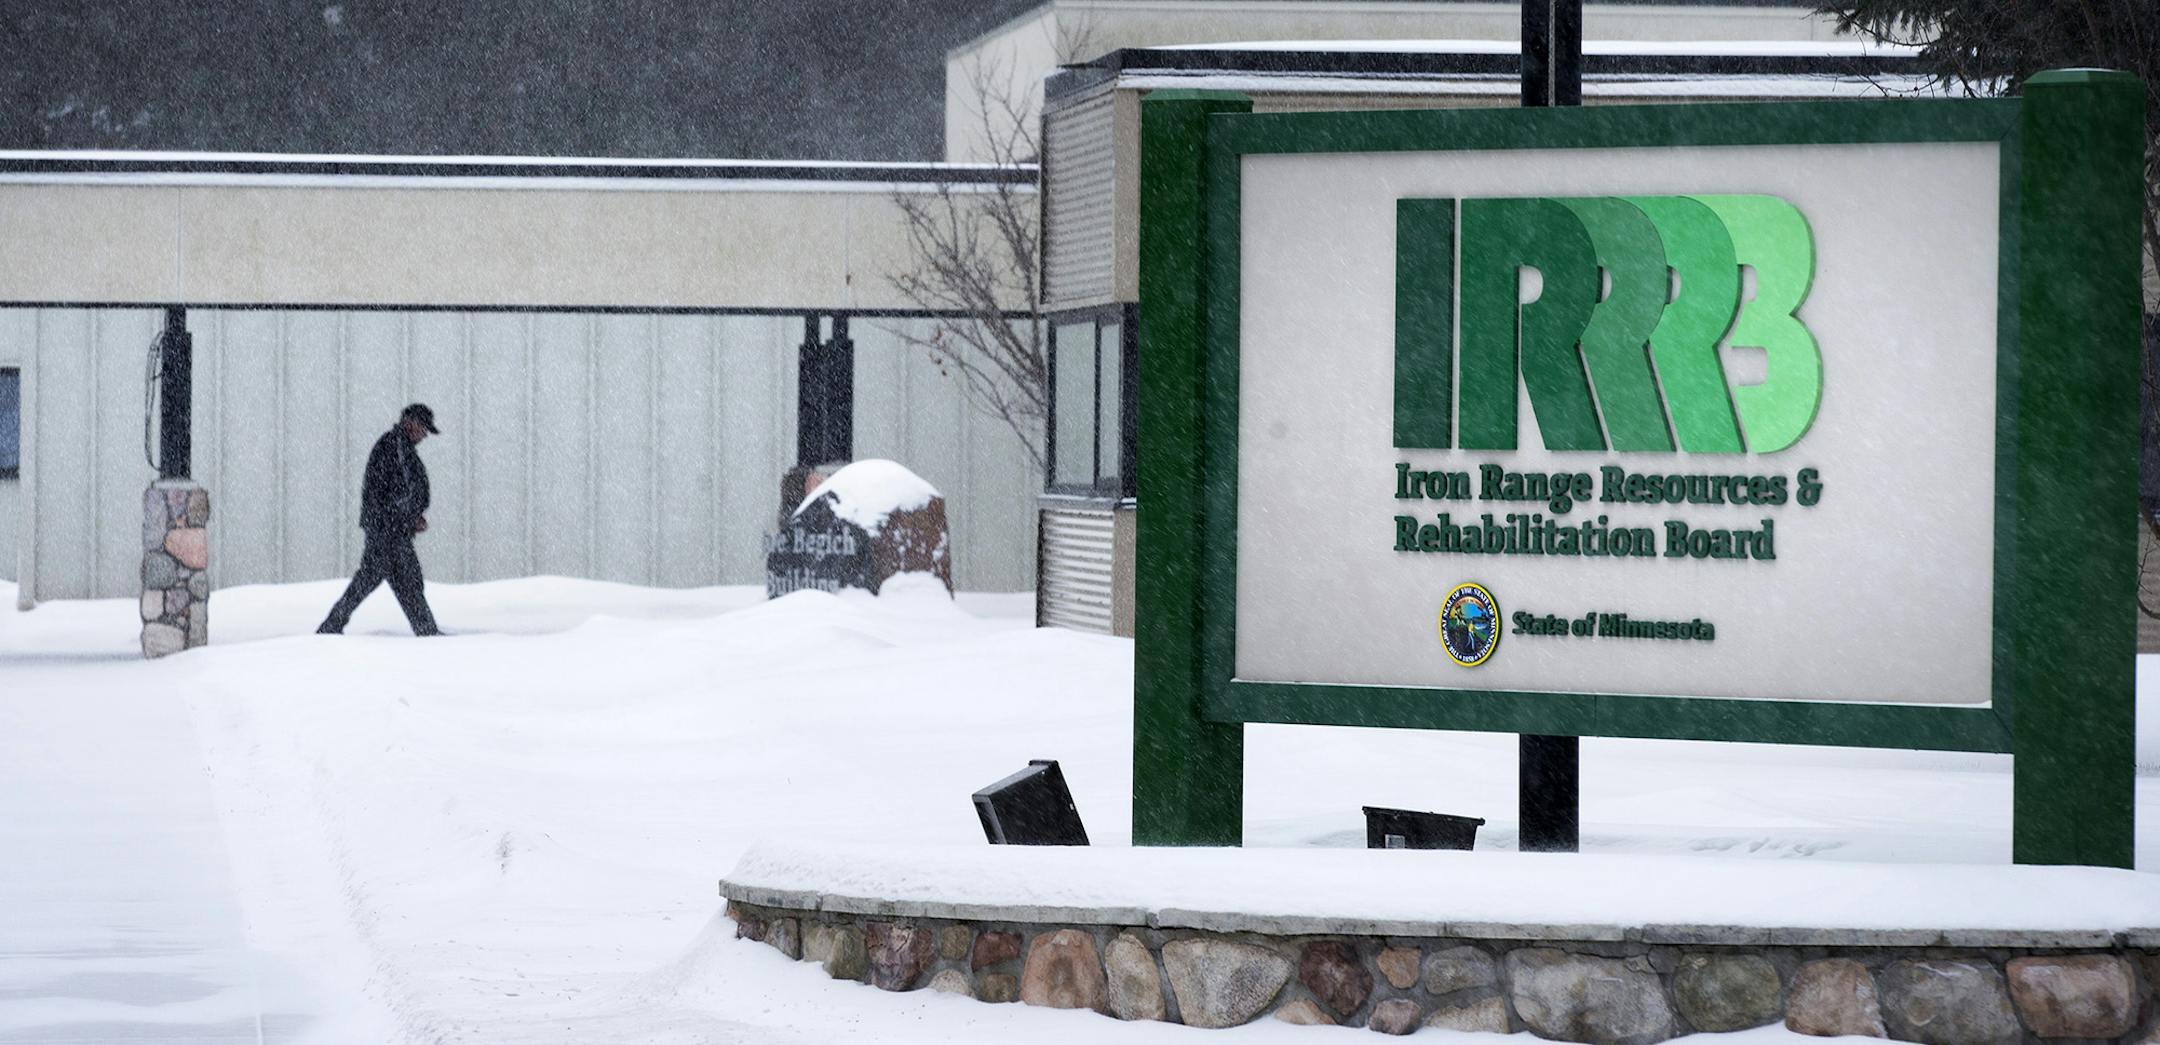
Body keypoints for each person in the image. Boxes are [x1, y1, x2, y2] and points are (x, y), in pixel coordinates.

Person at [318, 404, 442, 636]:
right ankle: (426, 632)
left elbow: (398, 493)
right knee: (389, 580)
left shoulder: (399, 447)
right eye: (423, 429)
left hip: (389, 528)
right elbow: (390, 494)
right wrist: (407, 517)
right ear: (411, 423)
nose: (424, 435)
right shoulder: (395, 448)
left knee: (401, 581)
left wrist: (410, 517)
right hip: (388, 531)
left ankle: (426, 631)